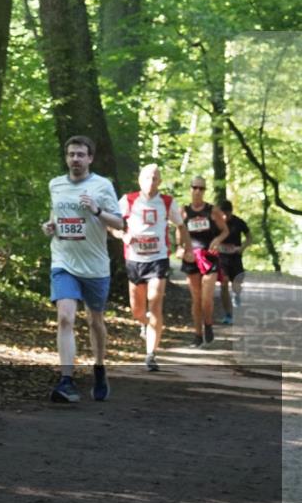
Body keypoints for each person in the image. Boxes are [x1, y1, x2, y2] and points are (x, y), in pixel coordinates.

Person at [42, 135, 123, 402]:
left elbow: (119, 224)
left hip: (95, 266)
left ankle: (99, 366)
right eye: (71, 154)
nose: (75, 159)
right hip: (63, 261)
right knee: (65, 317)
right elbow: (55, 216)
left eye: (80, 155)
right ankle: (66, 380)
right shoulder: (55, 184)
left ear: (90, 158)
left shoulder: (102, 185)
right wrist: (50, 226)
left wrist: (97, 211)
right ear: (66, 158)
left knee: (94, 321)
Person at [109, 164, 191, 371]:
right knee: (137, 311)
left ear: (160, 181)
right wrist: (122, 235)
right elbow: (111, 224)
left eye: (155, 178)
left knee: (155, 303)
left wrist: (184, 247)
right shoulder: (128, 200)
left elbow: (181, 226)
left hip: (158, 259)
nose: (151, 182)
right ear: (140, 180)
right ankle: (144, 323)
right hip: (135, 260)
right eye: (147, 177)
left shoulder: (167, 202)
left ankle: (150, 355)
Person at [180, 177, 229, 348]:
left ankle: (208, 323)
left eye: (201, 188)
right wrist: (181, 249)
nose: (198, 191)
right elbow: (180, 233)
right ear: (190, 189)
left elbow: (225, 231)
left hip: (209, 257)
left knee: (206, 298)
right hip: (192, 257)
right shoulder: (184, 211)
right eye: (195, 187)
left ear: (205, 190)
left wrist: (217, 240)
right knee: (196, 299)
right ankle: (197, 335)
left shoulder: (212, 211)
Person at [217, 199, 252, 317]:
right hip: (221, 258)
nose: (225, 217)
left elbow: (249, 237)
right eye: (222, 214)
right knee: (224, 283)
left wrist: (242, 248)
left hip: (235, 257)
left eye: (227, 214)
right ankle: (227, 314)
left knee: (237, 282)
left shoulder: (239, 222)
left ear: (231, 212)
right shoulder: (216, 223)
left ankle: (236, 295)